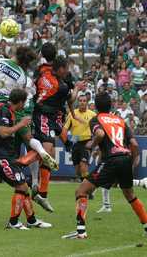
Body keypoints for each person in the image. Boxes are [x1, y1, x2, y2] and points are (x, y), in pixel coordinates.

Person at [63, 92, 147, 239]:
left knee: (81, 191)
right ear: (111, 105)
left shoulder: (96, 119)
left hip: (111, 160)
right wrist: (133, 162)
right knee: (130, 195)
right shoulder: (120, 120)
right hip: (125, 157)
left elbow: (100, 134)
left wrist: (91, 144)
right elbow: (134, 144)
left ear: (95, 105)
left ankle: (81, 232)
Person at [0, 46, 58, 172]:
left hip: (0, 109)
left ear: (15, 52)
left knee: (1, 137)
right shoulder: (22, 76)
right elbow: (19, 96)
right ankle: (41, 150)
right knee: (29, 139)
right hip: (17, 109)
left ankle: (13, 165)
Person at [0, 88, 51, 229]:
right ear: (20, 102)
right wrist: (21, 124)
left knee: (23, 186)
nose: (25, 106)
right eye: (24, 102)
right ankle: (13, 222)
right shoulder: (4, 111)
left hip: (6, 154)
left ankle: (32, 220)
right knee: (21, 185)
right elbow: (3, 133)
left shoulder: (7, 109)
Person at [33, 46, 82, 212]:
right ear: (60, 68)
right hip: (43, 115)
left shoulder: (41, 70)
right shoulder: (61, 86)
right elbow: (72, 98)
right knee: (47, 153)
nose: (68, 71)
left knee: (51, 154)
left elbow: (35, 85)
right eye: (66, 68)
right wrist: (77, 88)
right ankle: (30, 179)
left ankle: (42, 193)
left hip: (50, 114)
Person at [61, 94, 96, 186]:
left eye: (84, 101)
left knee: (83, 165)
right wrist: (65, 142)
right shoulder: (72, 114)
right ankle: (84, 184)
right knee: (78, 170)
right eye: (80, 101)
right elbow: (65, 129)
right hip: (75, 143)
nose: (82, 103)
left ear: (87, 102)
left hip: (87, 142)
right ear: (78, 102)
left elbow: (98, 130)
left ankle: (88, 189)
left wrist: (95, 142)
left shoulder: (92, 115)